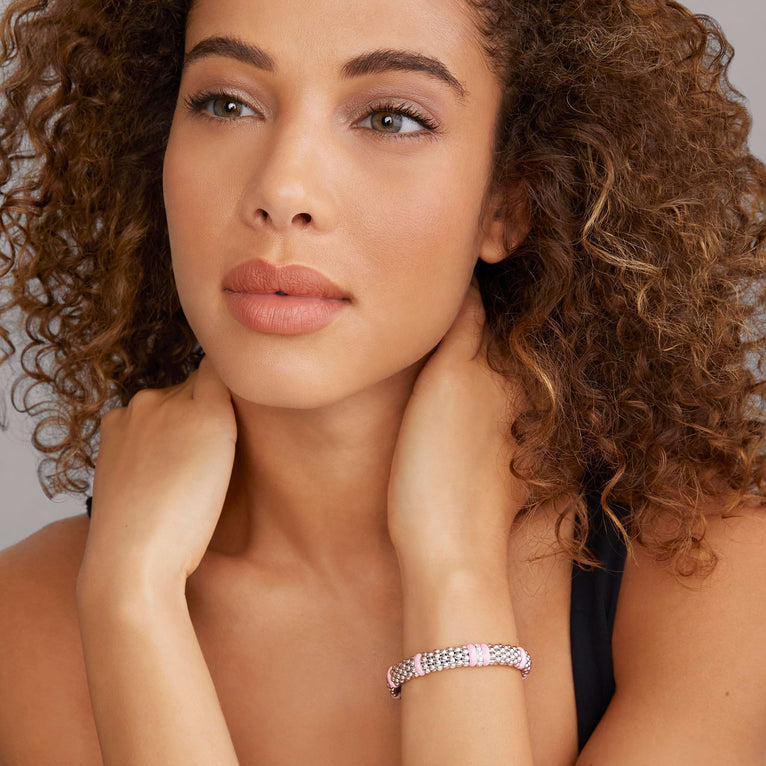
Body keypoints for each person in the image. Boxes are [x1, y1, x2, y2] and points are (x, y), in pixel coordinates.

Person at [0, 0, 764, 762]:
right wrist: (133, 603)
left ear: (510, 201)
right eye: (225, 103)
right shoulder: (33, 614)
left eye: (391, 118)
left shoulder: (709, 579)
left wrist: (452, 566)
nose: (283, 189)